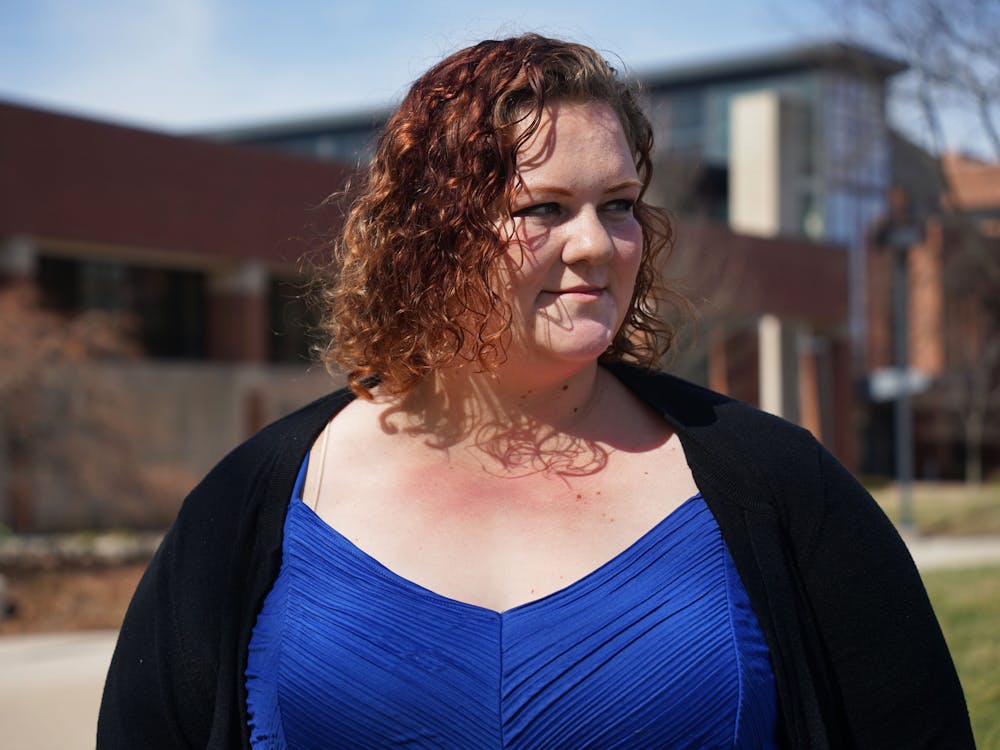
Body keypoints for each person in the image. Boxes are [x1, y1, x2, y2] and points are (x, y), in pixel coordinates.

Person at [98, 34, 974, 749]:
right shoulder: (251, 506)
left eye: (620, 204)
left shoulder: (777, 486)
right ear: (427, 236)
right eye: (542, 209)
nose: (598, 245)